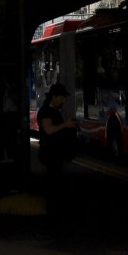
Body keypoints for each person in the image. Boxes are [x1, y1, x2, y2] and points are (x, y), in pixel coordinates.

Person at [37, 84, 77, 220]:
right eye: (61, 98)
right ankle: (53, 213)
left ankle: (55, 211)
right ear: (53, 97)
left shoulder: (53, 111)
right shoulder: (46, 111)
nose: (63, 101)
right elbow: (48, 130)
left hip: (54, 152)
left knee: (56, 182)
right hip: (50, 152)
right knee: (54, 183)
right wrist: (65, 125)